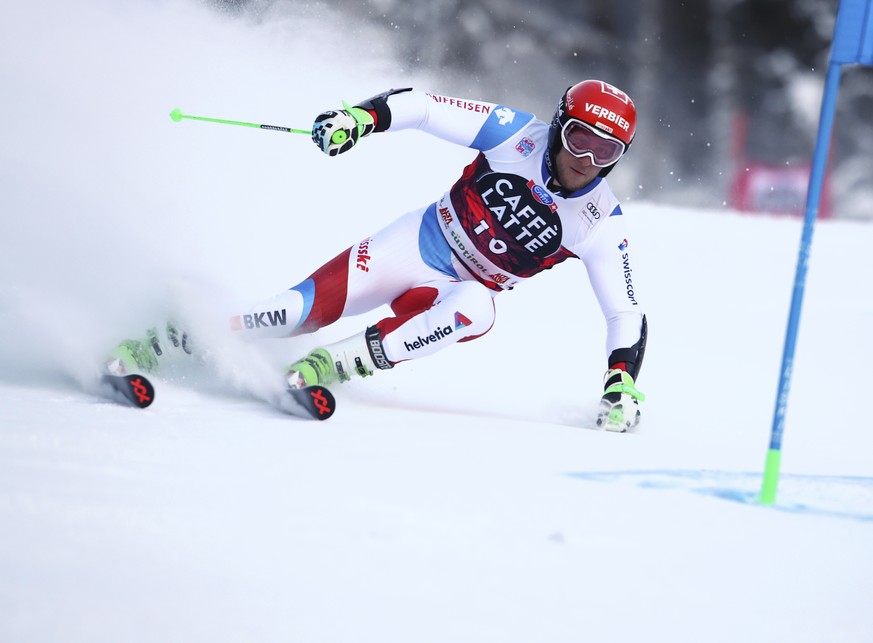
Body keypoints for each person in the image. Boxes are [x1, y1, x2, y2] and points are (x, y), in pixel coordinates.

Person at [114, 80, 648, 431]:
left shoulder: (602, 221)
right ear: (559, 124)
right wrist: (360, 119)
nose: (586, 160)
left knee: (476, 310)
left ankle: (330, 366)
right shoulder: (517, 134)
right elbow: (425, 107)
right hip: (414, 244)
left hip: (453, 292)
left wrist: (620, 381)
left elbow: (625, 311)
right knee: (293, 314)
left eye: (607, 152)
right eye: (579, 138)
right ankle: (163, 338)